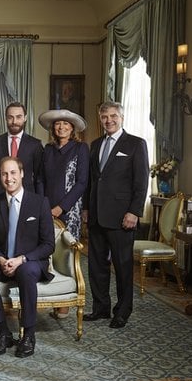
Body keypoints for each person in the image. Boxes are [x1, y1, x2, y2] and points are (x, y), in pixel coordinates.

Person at [0, 156, 54, 358]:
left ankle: (28, 334)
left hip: (29, 262)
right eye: (4, 174)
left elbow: (48, 245)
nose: (9, 178)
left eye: (12, 173)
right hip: (3, 261)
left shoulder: (39, 202)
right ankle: (3, 332)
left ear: (22, 174)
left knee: (27, 271)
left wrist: (21, 259)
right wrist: (1, 260)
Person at [83, 101, 149, 329]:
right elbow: (92, 181)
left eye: (113, 116)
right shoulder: (95, 144)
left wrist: (134, 211)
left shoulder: (135, 144)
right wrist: (86, 208)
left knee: (122, 266)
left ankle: (122, 311)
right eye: (104, 117)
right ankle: (101, 308)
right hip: (96, 215)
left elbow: (141, 182)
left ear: (121, 117)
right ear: (100, 119)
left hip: (122, 217)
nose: (108, 120)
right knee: (96, 265)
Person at [38, 109, 89, 319]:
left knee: (67, 254)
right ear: (53, 127)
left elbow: (82, 182)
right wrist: (43, 206)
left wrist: (61, 208)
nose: (61, 127)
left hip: (70, 210)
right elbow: (40, 179)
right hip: (46, 209)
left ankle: (65, 302)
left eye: (66, 124)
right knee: (47, 252)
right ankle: (51, 294)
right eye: (58, 124)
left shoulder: (80, 148)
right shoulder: (47, 150)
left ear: (72, 128)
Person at [0, 102, 43, 197]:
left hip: (27, 196)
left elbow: (39, 176)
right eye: (10, 117)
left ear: (25, 118)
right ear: (5, 118)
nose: (14, 121)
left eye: (18, 117)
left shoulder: (35, 144)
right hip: (1, 196)